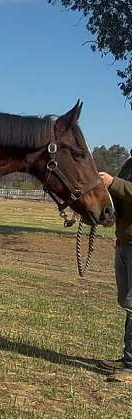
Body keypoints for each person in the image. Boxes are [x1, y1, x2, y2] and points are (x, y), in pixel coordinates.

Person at [99, 149, 132, 381]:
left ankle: (131, 367)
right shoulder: (130, 163)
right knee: (127, 303)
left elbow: (119, 187)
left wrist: (113, 182)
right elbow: (119, 198)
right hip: (124, 243)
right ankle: (127, 359)